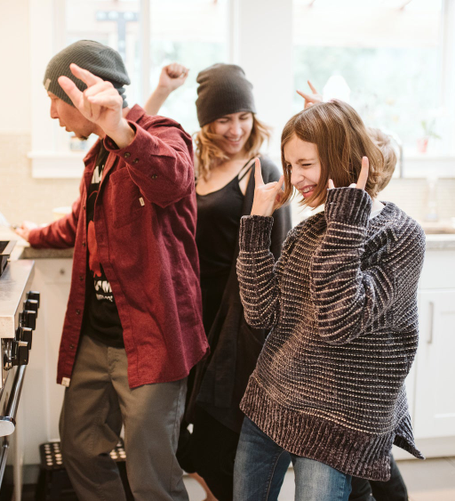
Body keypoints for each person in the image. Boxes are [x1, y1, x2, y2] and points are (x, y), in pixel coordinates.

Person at [16, 40, 208, 501]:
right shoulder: (98, 154)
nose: (51, 114)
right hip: (95, 334)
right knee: (80, 447)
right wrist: (34, 233)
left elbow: (175, 179)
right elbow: (81, 221)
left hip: (151, 338)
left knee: (151, 474)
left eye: (55, 100)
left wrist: (121, 128)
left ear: (85, 94)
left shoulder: (163, 134)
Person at [233, 99, 426, 500]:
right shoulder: (307, 233)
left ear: (341, 158)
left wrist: (344, 222)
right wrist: (256, 225)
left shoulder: (401, 235)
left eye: (305, 164)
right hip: (273, 400)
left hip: (338, 420)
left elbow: (339, 321)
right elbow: (260, 313)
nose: (294, 178)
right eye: (289, 166)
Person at [145, 63, 292, 501]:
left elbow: (275, 252)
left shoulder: (261, 170)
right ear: (206, 122)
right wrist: (159, 92)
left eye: (243, 117)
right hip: (190, 311)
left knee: (219, 429)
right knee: (184, 425)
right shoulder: (191, 161)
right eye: (224, 119)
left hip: (237, 319)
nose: (236, 129)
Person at [297, 83, 410, 501]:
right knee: (361, 467)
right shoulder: (332, 226)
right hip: (344, 382)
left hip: (367, 378)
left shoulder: (382, 233)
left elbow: (346, 311)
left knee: (371, 464)